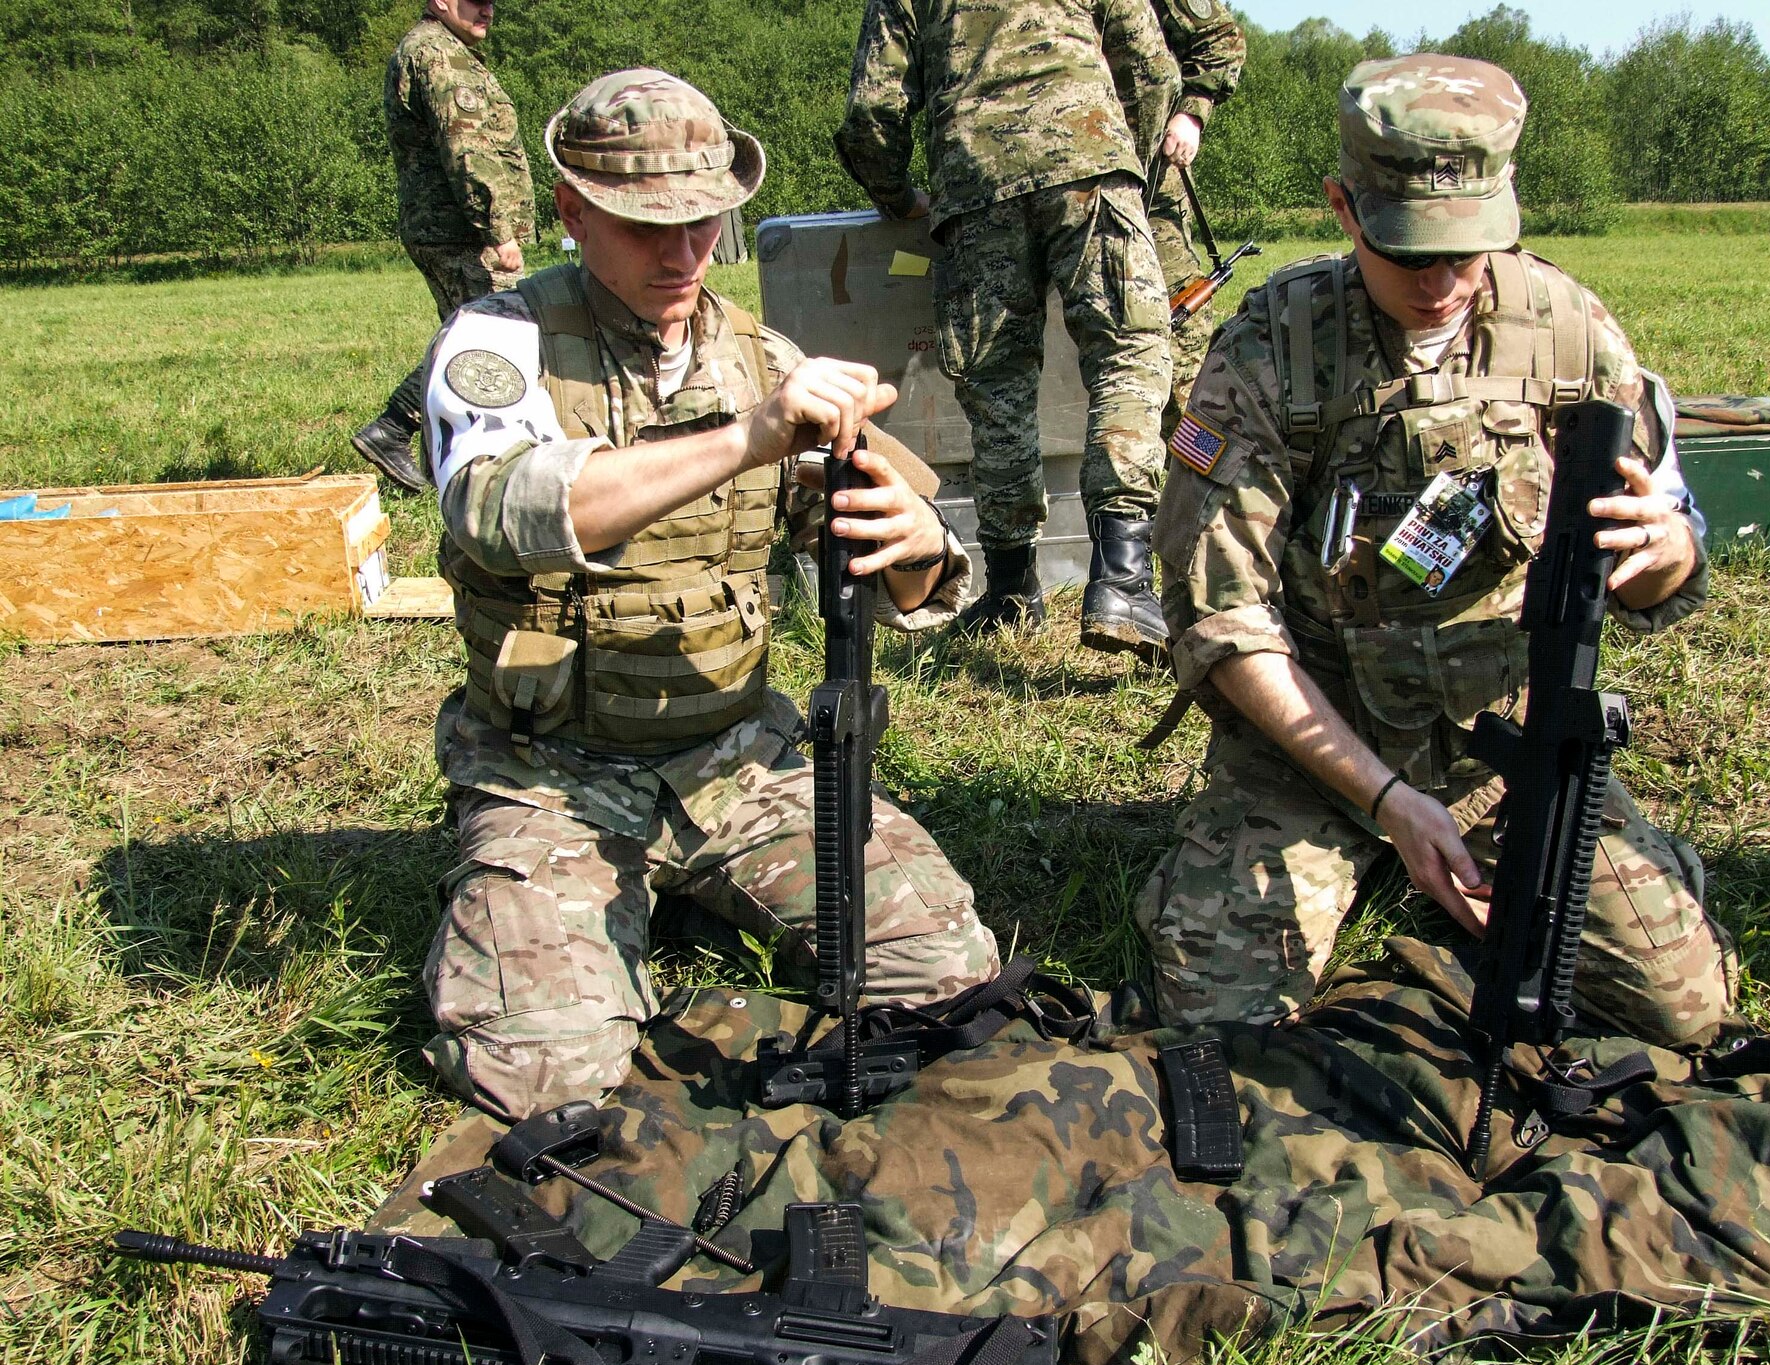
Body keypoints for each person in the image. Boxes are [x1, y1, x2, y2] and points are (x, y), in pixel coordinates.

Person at [416, 69, 999, 1119]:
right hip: (552, 773)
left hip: (739, 761)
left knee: (944, 972)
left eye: (702, 224)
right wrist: (746, 440)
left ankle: (661, 904)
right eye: (644, 227)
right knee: (540, 1077)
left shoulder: (758, 359)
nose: (681, 255)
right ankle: (574, 914)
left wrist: (913, 541)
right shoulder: (499, 345)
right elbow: (496, 510)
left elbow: (899, 570)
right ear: (571, 212)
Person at [1136, 54, 1738, 1044]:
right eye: (1409, 252)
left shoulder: (1565, 332)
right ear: (1341, 206)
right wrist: (1382, 799)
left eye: (1467, 251)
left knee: (1683, 1010)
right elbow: (1219, 615)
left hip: (1502, 748)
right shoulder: (1270, 350)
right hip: (1313, 751)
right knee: (1221, 1016)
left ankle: (1471, 866)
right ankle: (1334, 858)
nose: (1442, 282)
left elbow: (1668, 547)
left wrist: (1665, 549)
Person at [835, 0, 1180, 662]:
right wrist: (1122, 156)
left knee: (998, 383)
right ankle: (1124, 578)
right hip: (1090, 163)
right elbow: (1149, 66)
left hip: (976, 187)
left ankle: (1013, 586)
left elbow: (871, 113)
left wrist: (900, 198)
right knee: (1128, 354)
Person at [351, 0, 536, 494]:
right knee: (492, 335)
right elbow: (468, 149)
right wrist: (498, 228)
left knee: (471, 334)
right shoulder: (438, 54)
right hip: (462, 231)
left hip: (448, 226)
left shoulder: (439, 48)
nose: (487, 8)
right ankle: (394, 429)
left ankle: (437, 455)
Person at [1147, 0, 1246, 433]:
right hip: (1022, 201)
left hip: (1145, 195)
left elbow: (1220, 40)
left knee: (1181, 342)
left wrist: (1191, 111)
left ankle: (1201, 483)